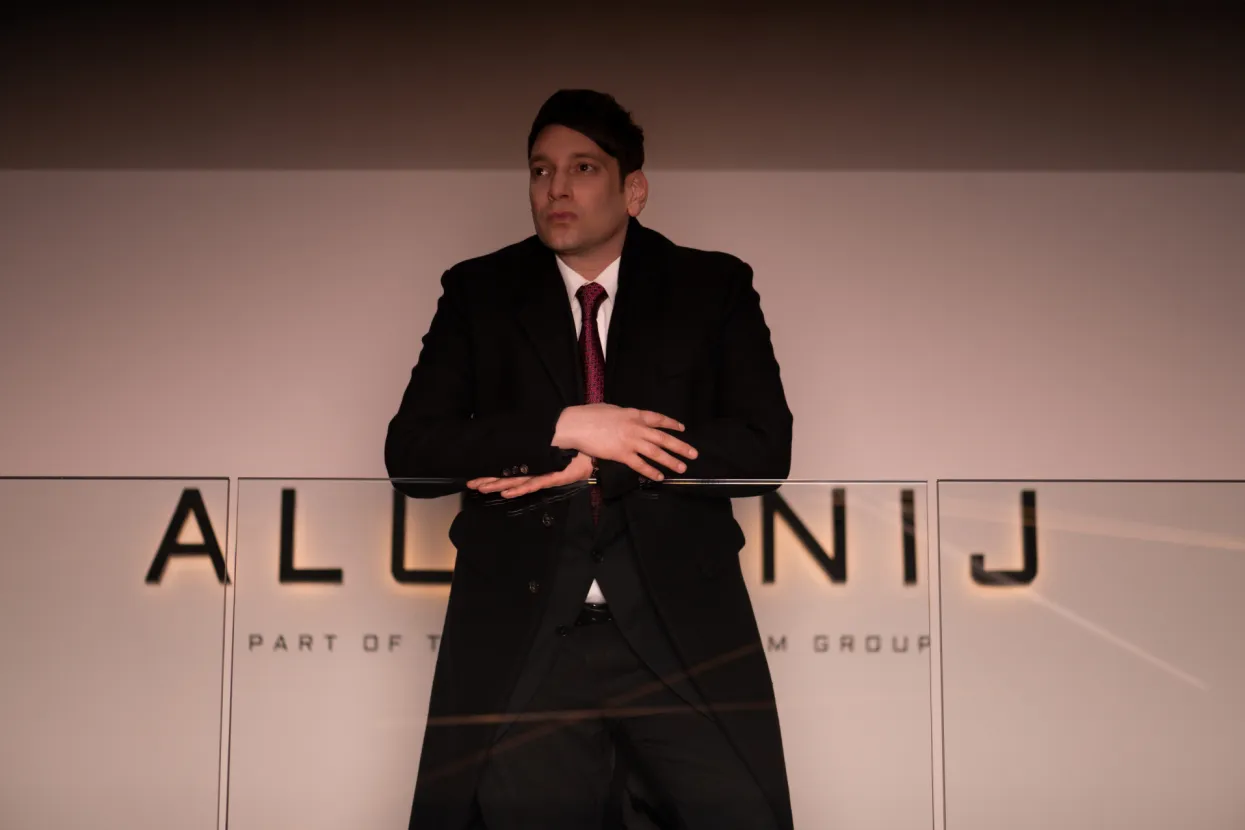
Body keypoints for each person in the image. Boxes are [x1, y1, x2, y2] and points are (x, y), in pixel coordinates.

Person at [385, 89, 794, 830]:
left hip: (679, 635)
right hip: (526, 638)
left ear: (633, 190)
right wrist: (563, 426)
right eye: (540, 170)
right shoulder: (478, 292)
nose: (556, 189)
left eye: (582, 168)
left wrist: (609, 461)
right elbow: (412, 455)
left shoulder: (712, 287)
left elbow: (764, 450)